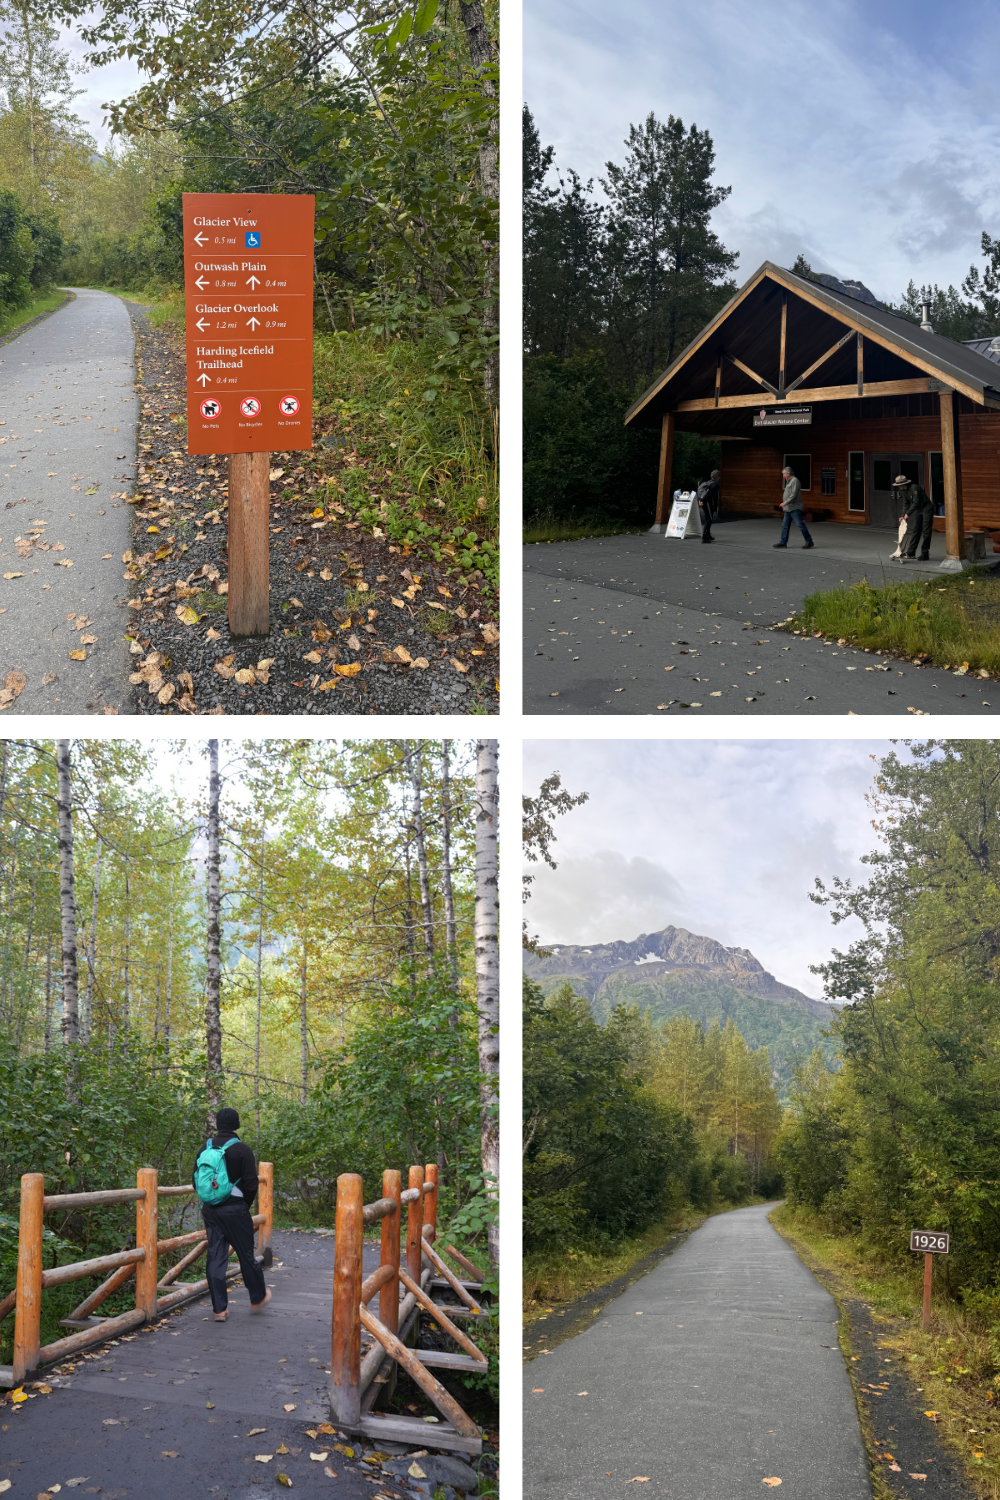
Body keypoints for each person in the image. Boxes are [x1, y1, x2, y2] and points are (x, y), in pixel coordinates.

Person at [192, 1107, 271, 1322]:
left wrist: (211, 1199)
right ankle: (257, 1297)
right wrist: (243, 1204)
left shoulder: (204, 1148)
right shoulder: (242, 1149)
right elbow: (251, 1184)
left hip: (211, 1210)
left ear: (217, 1125)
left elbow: (195, 1180)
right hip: (235, 1209)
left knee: (216, 1255)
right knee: (245, 1254)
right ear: (236, 1125)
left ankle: (219, 1310)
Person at [893, 473, 934, 562]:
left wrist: (908, 514)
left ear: (903, 484)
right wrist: (902, 515)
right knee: (916, 530)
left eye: (899, 485)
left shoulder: (914, 488)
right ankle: (911, 553)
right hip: (919, 510)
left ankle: (925, 553)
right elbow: (906, 503)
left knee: (926, 531)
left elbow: (916, 502)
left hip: (927, 508)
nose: (898, 487)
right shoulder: (904, 491)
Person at [773, 466, 814, 549]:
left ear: (788, 473)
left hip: (794, 508)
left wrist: (785, 503)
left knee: (800, 524)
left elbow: (794, 495)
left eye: (784, 474)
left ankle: (809, 541)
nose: (783, 476)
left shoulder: (795, 481)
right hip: (788, 508)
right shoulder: (789, 481)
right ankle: (783, 542)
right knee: (785, 525)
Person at [696, 469, 721, 543]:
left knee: (709, 519)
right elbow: (712, 495)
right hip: (708, 503)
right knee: (708, 520)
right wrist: (715, 504)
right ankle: (704, 537)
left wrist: (701, 500)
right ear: (718, 476)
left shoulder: (709, 482)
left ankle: (708, 535)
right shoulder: (715, 484)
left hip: (704, 502)